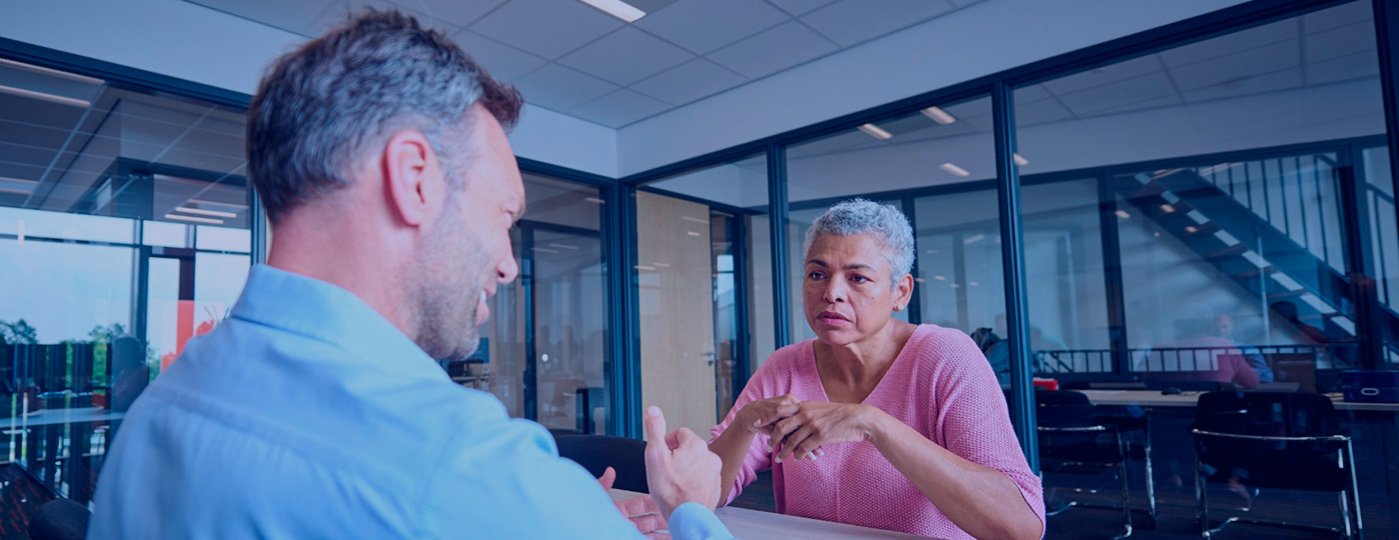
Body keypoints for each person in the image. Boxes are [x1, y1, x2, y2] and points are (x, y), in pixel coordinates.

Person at [88, 11, 730, 539]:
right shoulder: (463, 466)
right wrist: (691, 508)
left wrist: (550, 509)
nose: (509, 263)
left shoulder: (155, 414)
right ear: (414, 178)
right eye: (504, 214)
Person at [708, 199, 1045, 539]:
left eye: (857, 278)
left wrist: (874, 424)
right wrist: (743, 423)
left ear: (900, 292)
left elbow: (1020, 527)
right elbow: (710, 492)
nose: (831, 293)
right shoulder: (785, 366)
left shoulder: (946, 356)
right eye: (817, 274)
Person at [1215, 313, 1272, 384]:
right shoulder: (1203, 348)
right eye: (1216, 328)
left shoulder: (1247, 349)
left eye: (1224, 327)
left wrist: (1240, 371)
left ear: (1232, 327)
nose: (1221, 331)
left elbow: (1267, 376)